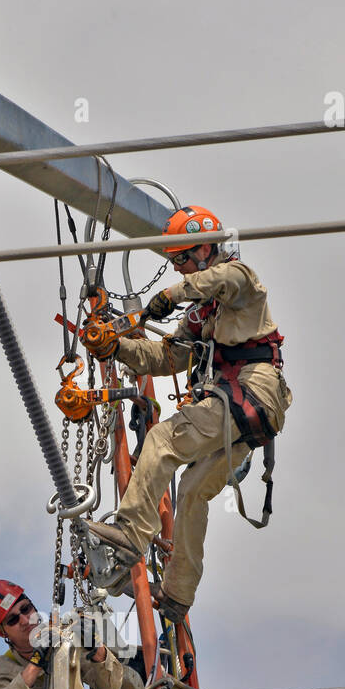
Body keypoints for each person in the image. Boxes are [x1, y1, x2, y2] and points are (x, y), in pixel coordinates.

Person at [88, 205, 293, 624]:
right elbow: (167, 357)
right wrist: (117, 348)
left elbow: (215, 281)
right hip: (247, 411)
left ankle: (130, 534)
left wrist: (169, 297)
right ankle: (179, 594)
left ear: (206, 248)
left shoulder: (241, 280)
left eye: (182, 258)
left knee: (162, 441)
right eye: (174, 261)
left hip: (252, 393)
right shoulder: (202, 313)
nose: (178, 268)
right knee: (193, 487)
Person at [0, 579, 142, 689]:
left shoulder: (64, 637)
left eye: (25, 609)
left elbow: (111, 686)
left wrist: (96, 649)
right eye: (13, 619)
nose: (25, 620)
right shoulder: (1, 671)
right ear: (2, 632)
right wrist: (34, 666)